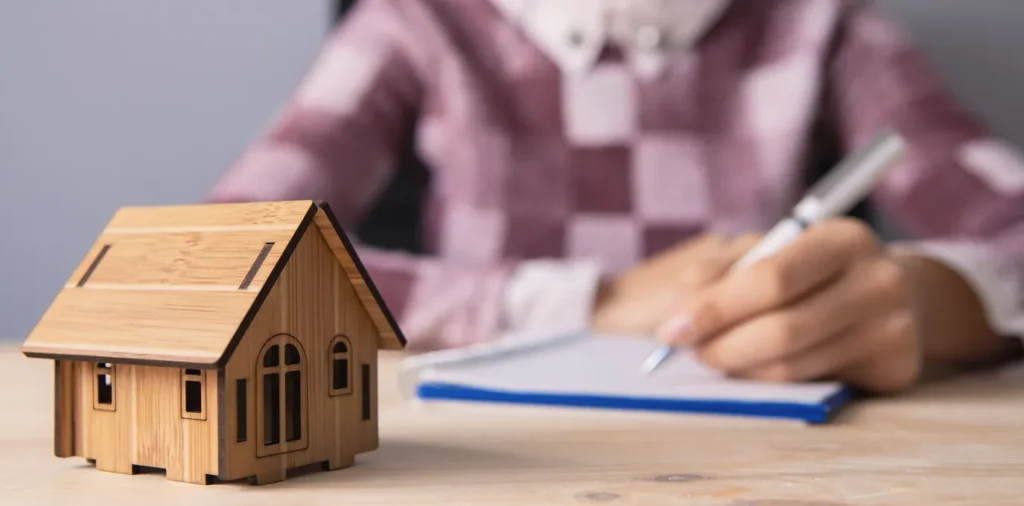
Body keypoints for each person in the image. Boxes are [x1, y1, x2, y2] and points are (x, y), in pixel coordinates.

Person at [207, 0, 1024, 393]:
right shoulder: (417, 22)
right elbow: (225, 256)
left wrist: (925, 299)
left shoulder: (824, 26)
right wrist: (589, 303)